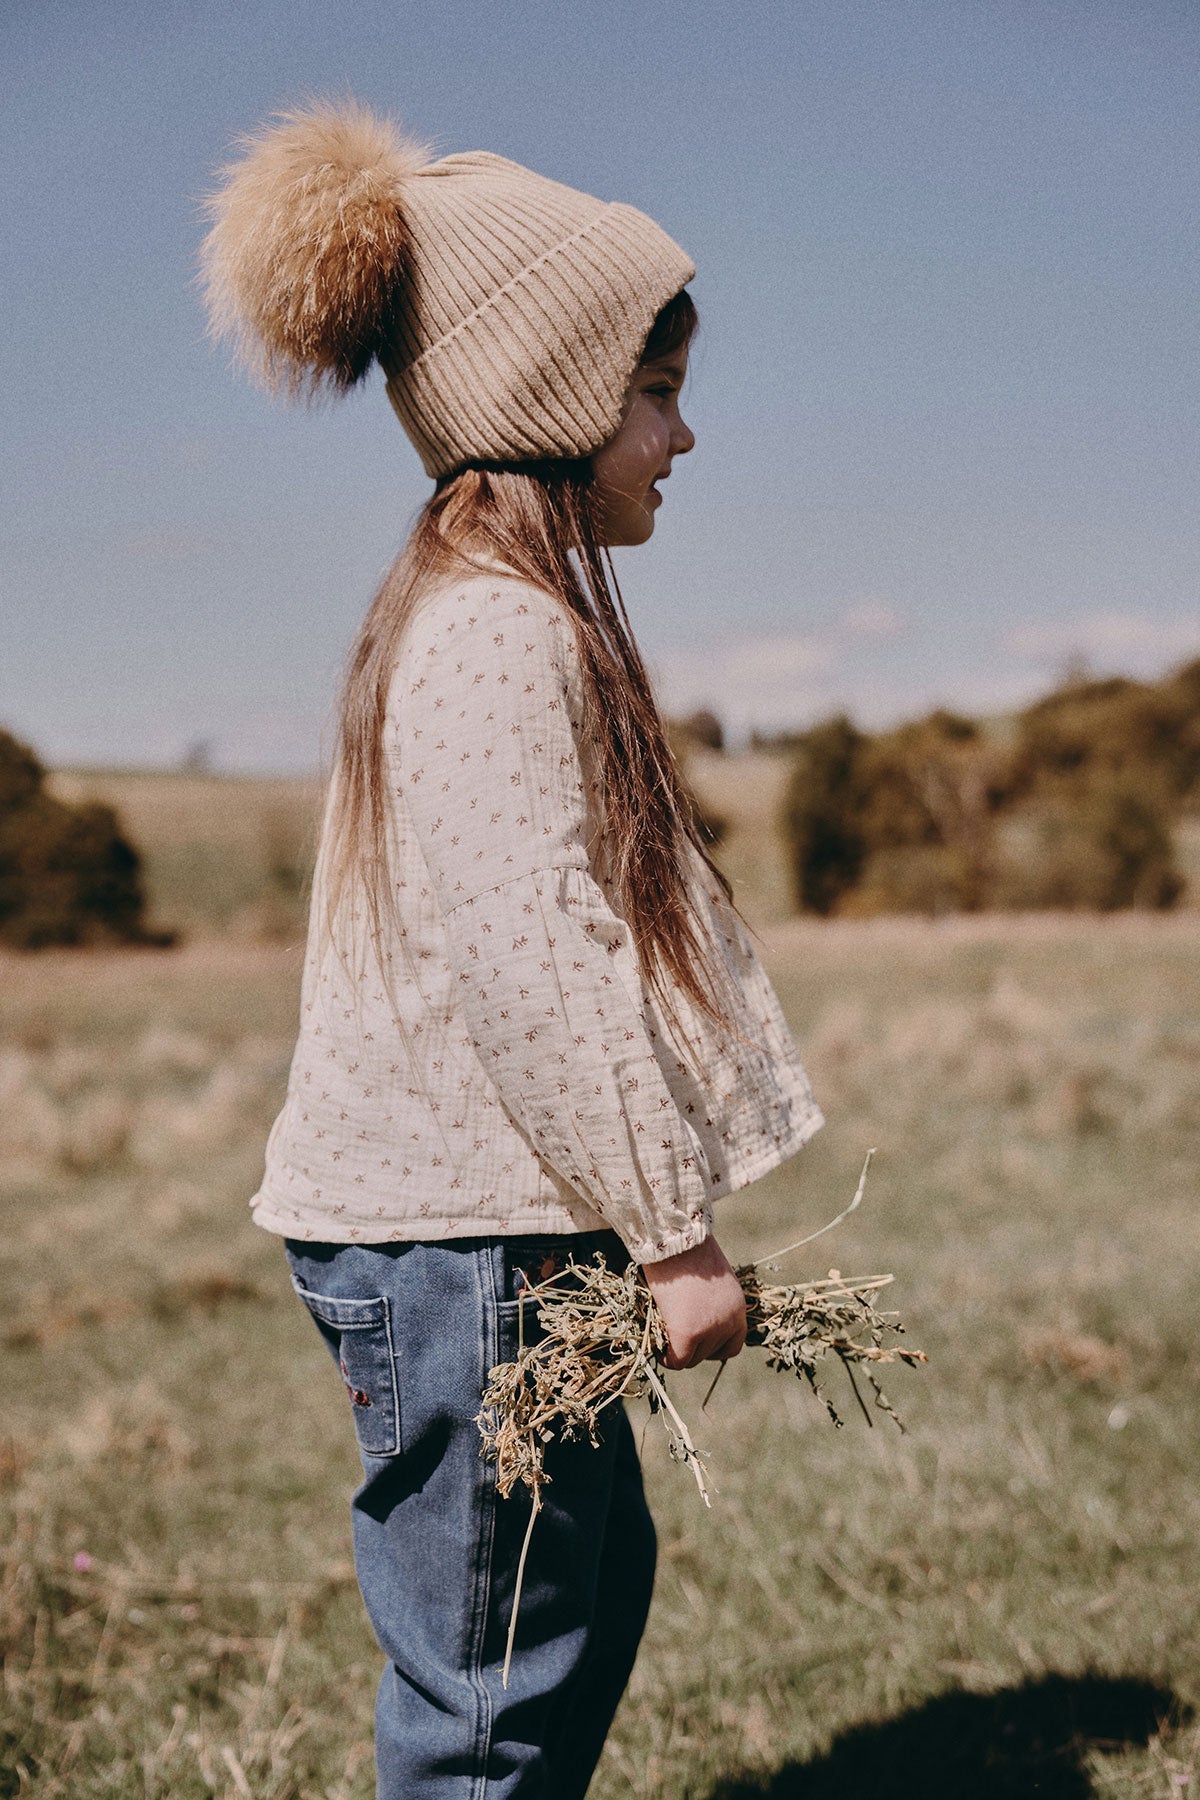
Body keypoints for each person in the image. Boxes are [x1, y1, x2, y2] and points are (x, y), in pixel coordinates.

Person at [201, 96, 823, 1798]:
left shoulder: (494, 608)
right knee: (493, 1686)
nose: (683, 439)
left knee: (571, 1604)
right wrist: (675, 1235)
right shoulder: (490, 632)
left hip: (490, 1237)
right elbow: (532, 955)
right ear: (555, 393)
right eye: (659, 393)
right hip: (461, 1250)